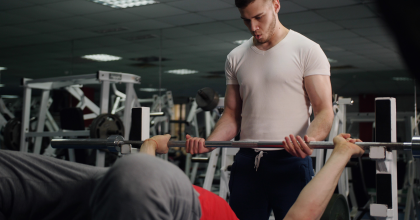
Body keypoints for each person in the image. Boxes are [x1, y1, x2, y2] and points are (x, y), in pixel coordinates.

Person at [185, 0, 334, 219]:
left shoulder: (307, 50)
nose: (253, 26)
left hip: (290, 161)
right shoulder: (235, 57)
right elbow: (232, 115)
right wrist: (209, 143)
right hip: (247, 163)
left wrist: (309, 140)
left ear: (275, 5)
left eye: (259, 17)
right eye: (246, 20)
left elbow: (324, 111)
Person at [0, 134, 363, 220]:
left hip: (160, 194)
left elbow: (305, 211)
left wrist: (341, 155)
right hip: (111, 188)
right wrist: (149, 148)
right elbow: (137, 181)